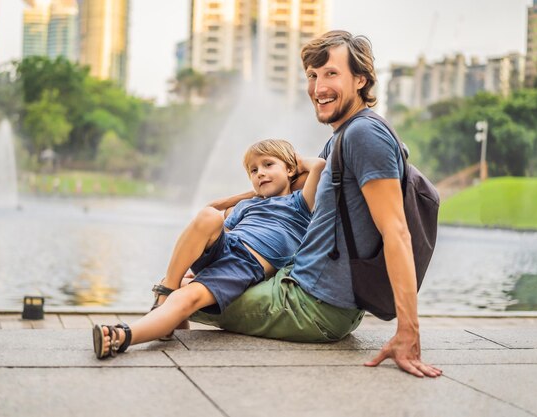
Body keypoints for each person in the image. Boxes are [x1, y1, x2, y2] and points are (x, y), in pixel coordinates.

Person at [189, 30, 442, 378]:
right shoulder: (343, 136)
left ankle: (153, 320)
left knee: (190, 294)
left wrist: (408, 332)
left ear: (360, 79)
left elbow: (397, 231)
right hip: (308, 287)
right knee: (209, 278)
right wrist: (232, 201)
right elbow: (293, 174)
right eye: (312, 75)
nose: (318, 87)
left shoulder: (364, 135)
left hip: (315, 305)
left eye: (331, 74)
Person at [93, 139, 326, 358]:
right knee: (207, 216)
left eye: (268, 165)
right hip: (227, 247)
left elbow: (319, 165)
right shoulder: (247, 205)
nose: (260, 173)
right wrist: (252, 193)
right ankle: (168, 290)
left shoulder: (299, 204)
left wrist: (296, 163)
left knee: (186, 298)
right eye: (253, 171)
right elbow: (211, 212)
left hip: (244, 264)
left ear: (290, 170)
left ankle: (122, 336)